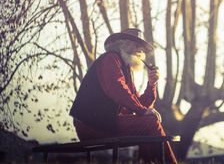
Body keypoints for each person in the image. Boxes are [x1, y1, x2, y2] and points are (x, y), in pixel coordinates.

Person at [70, 28, 177, 164]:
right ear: (122, 43)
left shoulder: (125, 69)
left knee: (148, 122)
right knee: (150, 122)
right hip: (90, 125)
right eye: (137, 44)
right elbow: (117, 90)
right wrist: (143, 111)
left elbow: (140, 104)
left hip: (105, 123)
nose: (141, 50)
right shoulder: (110, 59)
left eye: (142, 47)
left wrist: (152, 84)